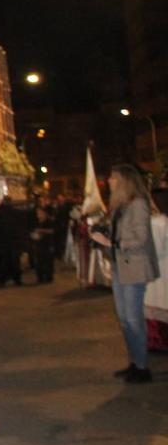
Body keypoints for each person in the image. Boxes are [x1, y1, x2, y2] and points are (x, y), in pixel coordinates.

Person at [90, 164, 161, 383]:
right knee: (124, 319)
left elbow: (140, 239)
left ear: (124, 180)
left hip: (135, 268)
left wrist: (112, 242)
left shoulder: (138, 204)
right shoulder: (120, 206)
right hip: (121, 267)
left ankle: (142, 367)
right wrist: (102, 234)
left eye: (113, 178)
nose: (109, 181)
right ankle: (134, 362)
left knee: (133, 319)